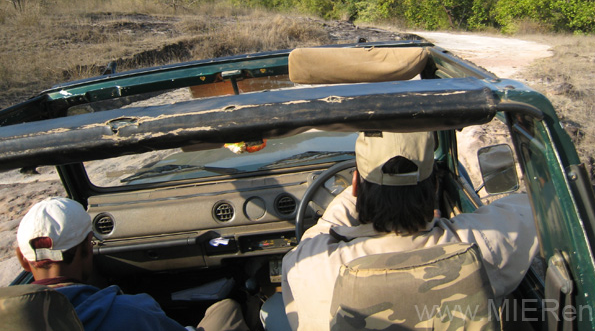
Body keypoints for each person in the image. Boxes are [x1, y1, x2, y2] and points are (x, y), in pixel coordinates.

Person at [280, 131, 539, 330]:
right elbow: (534, 204)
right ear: (435, 187)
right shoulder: (480, 246)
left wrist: (354, 193)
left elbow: (322, 231)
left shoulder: (308, 266)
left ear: (357, 185)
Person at [15, 197, 249, 331]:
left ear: (23, 260)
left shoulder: (9, 320)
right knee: (226, 309)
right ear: (88, 247)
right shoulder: (127, 311)